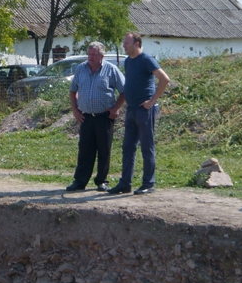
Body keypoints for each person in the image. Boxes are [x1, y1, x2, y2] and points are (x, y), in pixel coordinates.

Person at [108, 31, 172, 195]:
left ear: (136, 44)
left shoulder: (146, 60)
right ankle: (125, 183)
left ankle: (148, 183)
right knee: (128, 147)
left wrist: (151, 101)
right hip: (131, 110)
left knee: (146, 147)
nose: (124, 46)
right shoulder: (128, 61)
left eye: (126, 43)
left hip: (145, 110)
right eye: (124, 43)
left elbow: (164, 79)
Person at [63, 42, 124, 193]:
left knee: (104, 150)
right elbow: (73, 90)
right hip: (86, 117)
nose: (90, 57)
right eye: (89, 54)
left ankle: (101, 181)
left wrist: (116, 108)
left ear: (101, 56)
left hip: (104, 117)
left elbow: (124, 90)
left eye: (94, 55)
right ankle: (80, 181)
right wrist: (75, 109)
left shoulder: (111, 70)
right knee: (85, 150)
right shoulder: (81, 69)